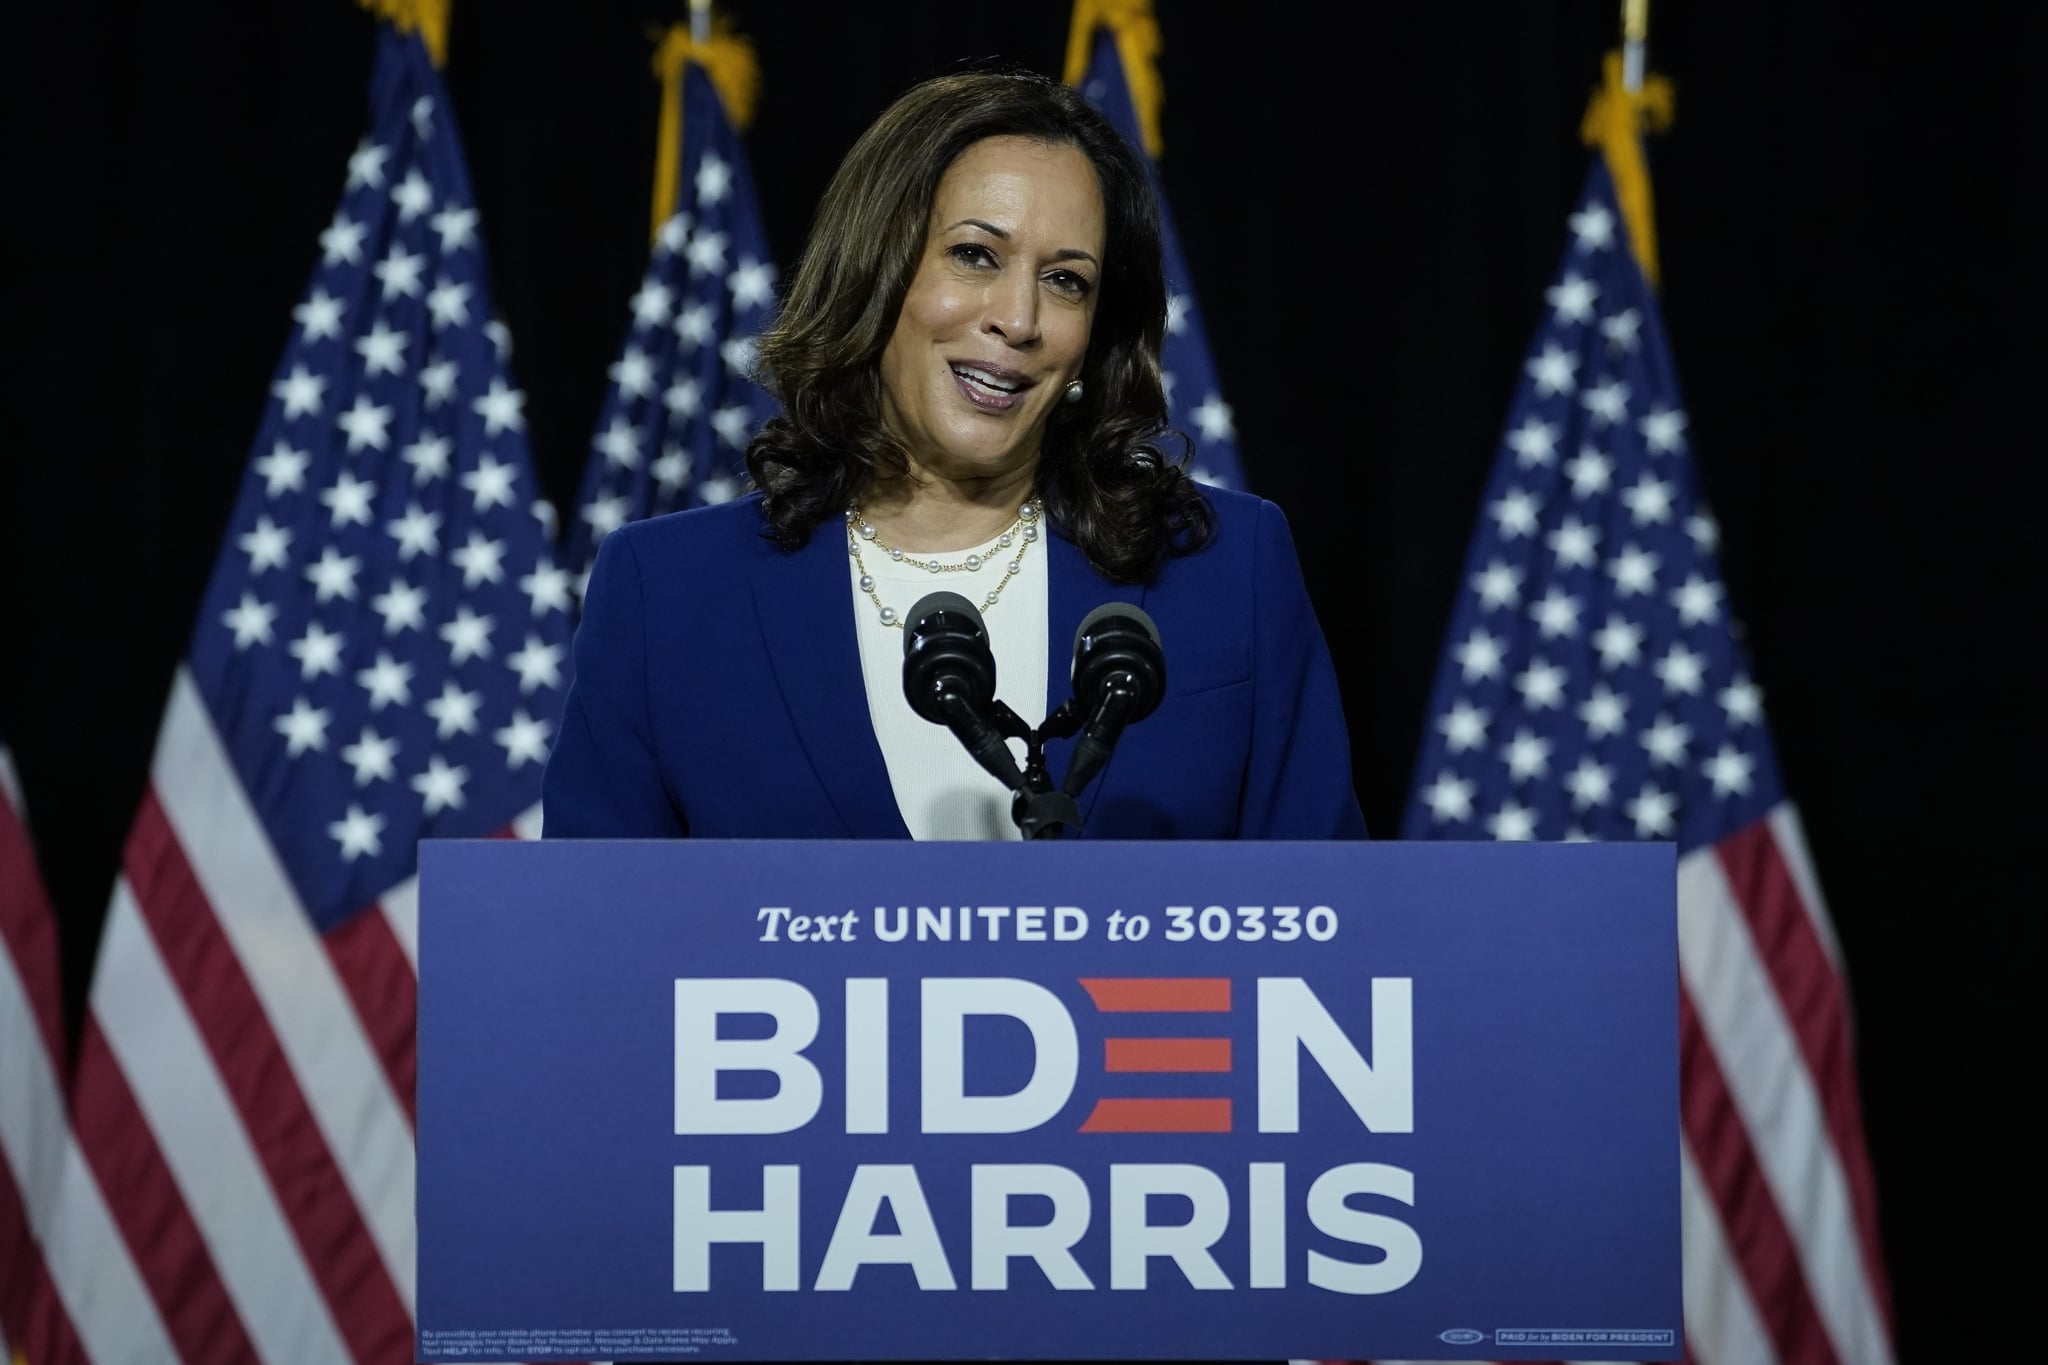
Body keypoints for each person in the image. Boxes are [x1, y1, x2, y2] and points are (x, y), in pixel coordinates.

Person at [542, 70, 1365, 842]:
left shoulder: (1226, 570)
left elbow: (1331, 928)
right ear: (876, 273)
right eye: (976, 255)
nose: (1019, 318)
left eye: (1067, 281)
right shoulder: (669, 594)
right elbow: (593, 948)